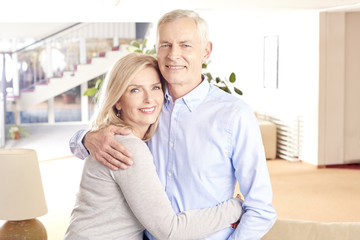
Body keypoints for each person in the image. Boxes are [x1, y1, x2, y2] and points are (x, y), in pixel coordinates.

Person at [70, 9, 277, 240]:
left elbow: (261, 209)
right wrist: (86, 138)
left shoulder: (234, 114)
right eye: (165, 45)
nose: (173, 54)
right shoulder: (149, 109)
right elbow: (84, 147)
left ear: (206, 51)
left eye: (185, 45)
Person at [64, 53, 243, 240]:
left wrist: (83, 138)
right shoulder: (127, 147)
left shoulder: (114, 137)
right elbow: (170, 231)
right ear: (117, 100)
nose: (149, 99)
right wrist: (234, 208)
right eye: (135, 90)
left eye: (155, 88)